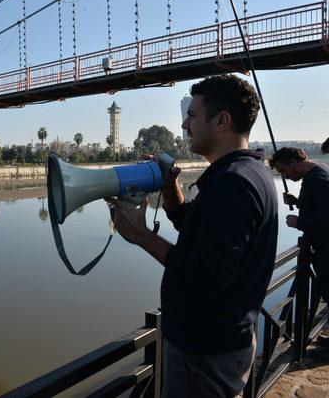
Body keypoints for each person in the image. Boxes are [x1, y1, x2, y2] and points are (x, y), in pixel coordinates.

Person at [107, 74, 278, 397]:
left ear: (222, 121)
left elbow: (206, 274)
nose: (185, 125)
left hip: (205, 352)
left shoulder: (233, 184)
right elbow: (198, 231)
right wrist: (171, 188)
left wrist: (142, 235)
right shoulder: (246, 173)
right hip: (220, 342)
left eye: (193, 115)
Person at [269, 148, 329, 304]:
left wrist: (299, 223)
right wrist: (297, 202)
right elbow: (320, 203)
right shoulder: (319, 170)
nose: (285, 176)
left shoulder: (317, 178)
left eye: (284, 170)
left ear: (294, 162)